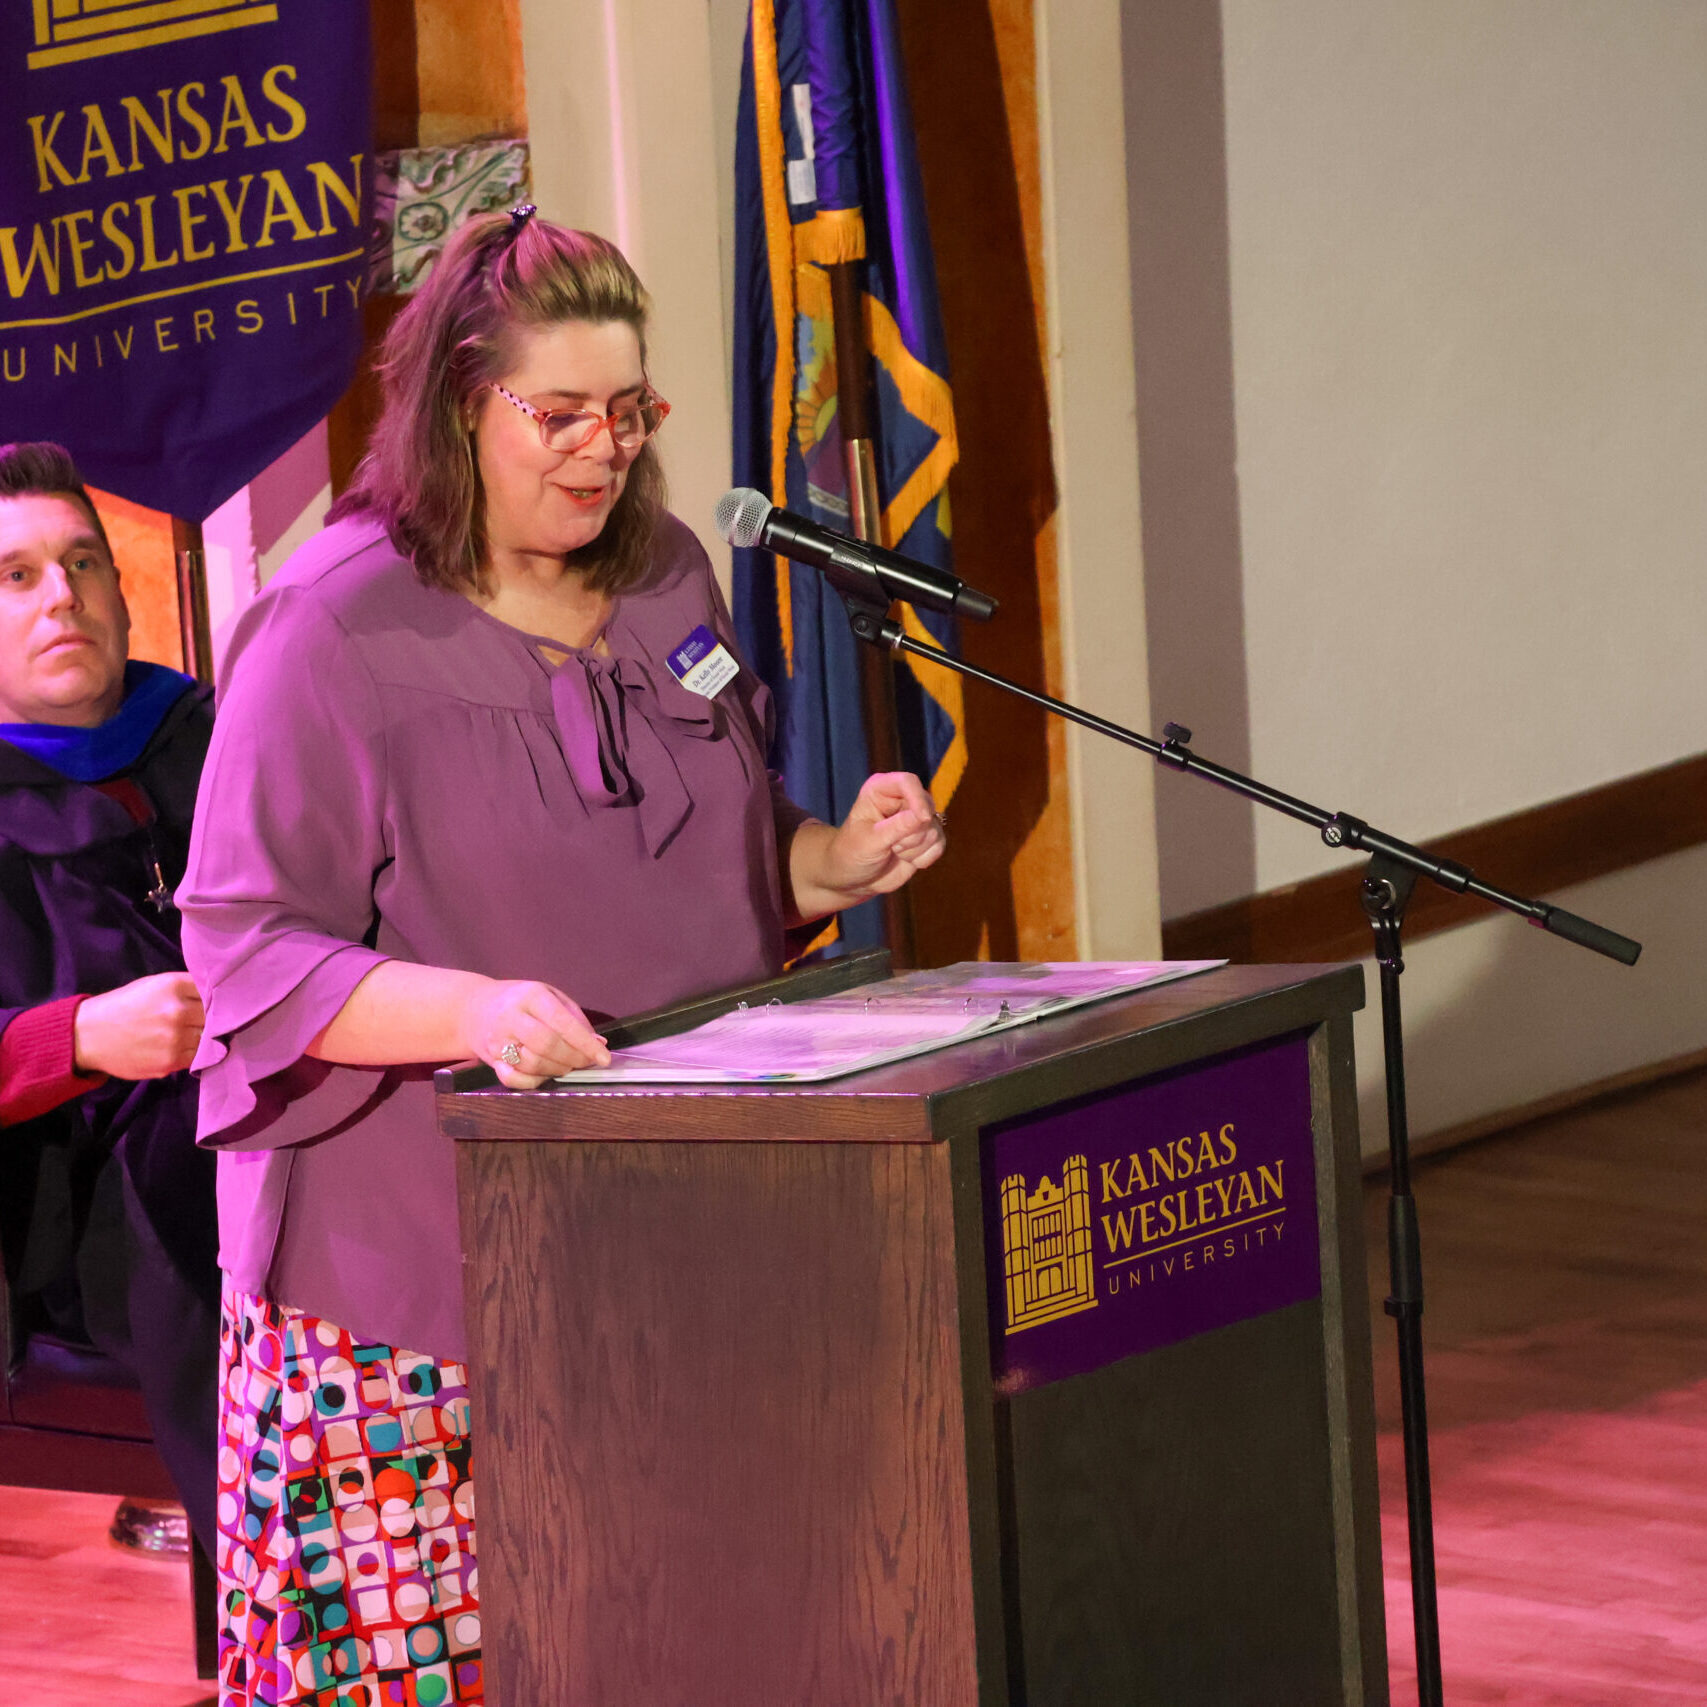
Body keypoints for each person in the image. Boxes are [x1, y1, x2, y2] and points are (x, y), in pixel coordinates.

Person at [179, 207, 946, 1706]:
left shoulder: (664, 577)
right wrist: (474, 1002)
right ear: (460, 404)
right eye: (559, 414)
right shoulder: (330, 628)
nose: (601, 451)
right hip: (414, 1275)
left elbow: (710, 845)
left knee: (671, 1632)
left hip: (673, 1226)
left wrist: (830, 859)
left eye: (627, 411)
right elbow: (245, 944)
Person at [0, 442, 219, 1557]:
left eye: (83, 564)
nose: (62, 597)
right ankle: (272, 1585)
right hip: (71, 1194)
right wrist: (77, 1034)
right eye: (18, 576)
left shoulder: (211, 737)